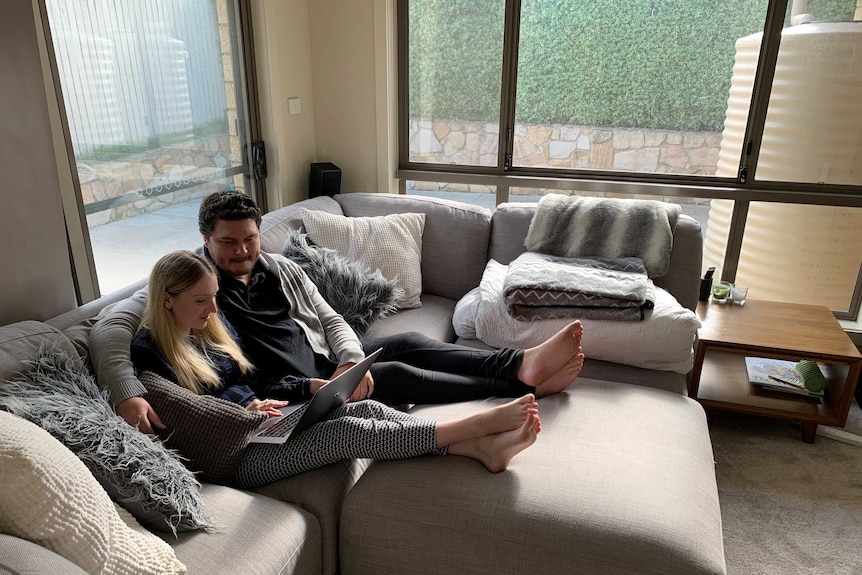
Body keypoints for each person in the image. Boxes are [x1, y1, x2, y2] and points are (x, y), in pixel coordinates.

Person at [91, 190, 584, 434]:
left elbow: (329, 318)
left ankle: (517, 363)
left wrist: (347, 360)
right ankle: (522, 385)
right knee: (398, 373)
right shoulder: (191, 284)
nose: (242, 251)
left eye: (250, 238)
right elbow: (109, 327)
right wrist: (126, 392)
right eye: (228, 242)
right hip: (291, 390)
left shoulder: (279, 267)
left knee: (408, 341)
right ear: (205, 239)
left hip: (323, 360)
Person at [133, 250, 541, 486]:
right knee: (346, 432)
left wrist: (305, 387)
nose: (213, 308)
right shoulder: (149, 352)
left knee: (363, 409)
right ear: (168, 299)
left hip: (262, 425)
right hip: (232, 456)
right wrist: (242, 412)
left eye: (214, 297)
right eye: (202, 300)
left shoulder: (211, 330)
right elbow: (183, 414)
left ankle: (478, 448)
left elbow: (256, 380)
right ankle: (472, 428)